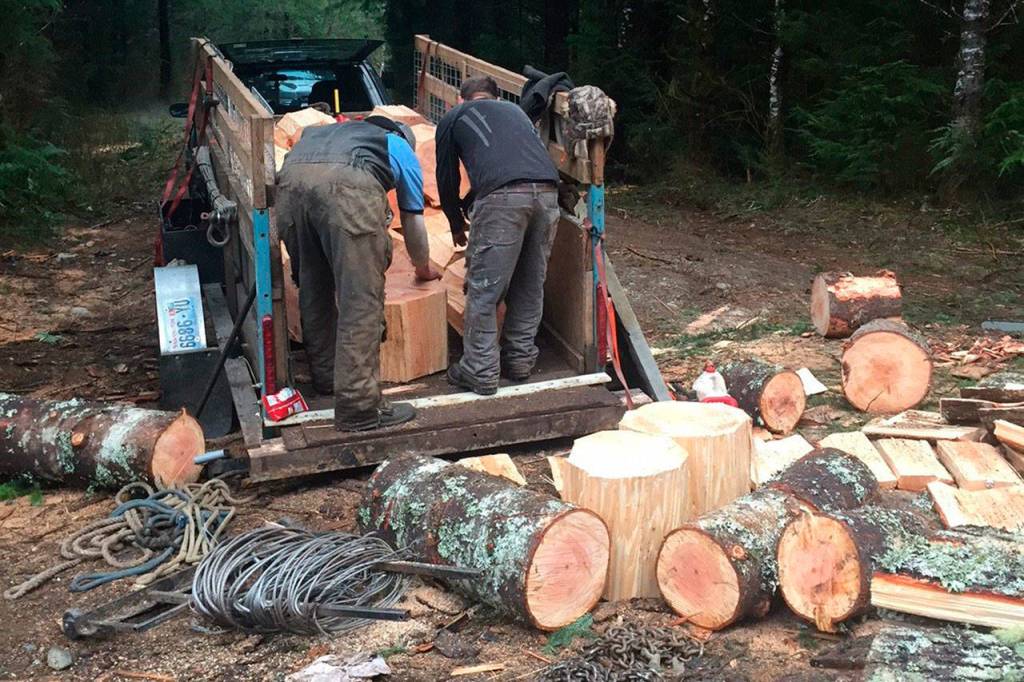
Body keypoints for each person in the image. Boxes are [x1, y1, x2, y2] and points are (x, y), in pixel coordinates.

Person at [277, 115, 441, 431]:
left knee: (314, 286)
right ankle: (358, 407)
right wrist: (422, 267)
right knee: (360, 302)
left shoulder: (326, 134)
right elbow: (413, 221)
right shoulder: (399, 146)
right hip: (345, 191)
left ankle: (327, 376)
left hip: (290, 187)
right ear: (402, 136)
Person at [435, 76, 561, 396]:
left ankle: (480, 370)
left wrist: (454, 223)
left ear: (461, 99)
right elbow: (508, 161)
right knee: (530, 284)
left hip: (503, 199)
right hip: (547, 194)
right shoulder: (517, 114)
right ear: (493, 96)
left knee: (485, 289)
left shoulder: (454, 117)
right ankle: (519, 360)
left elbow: (446, 177)